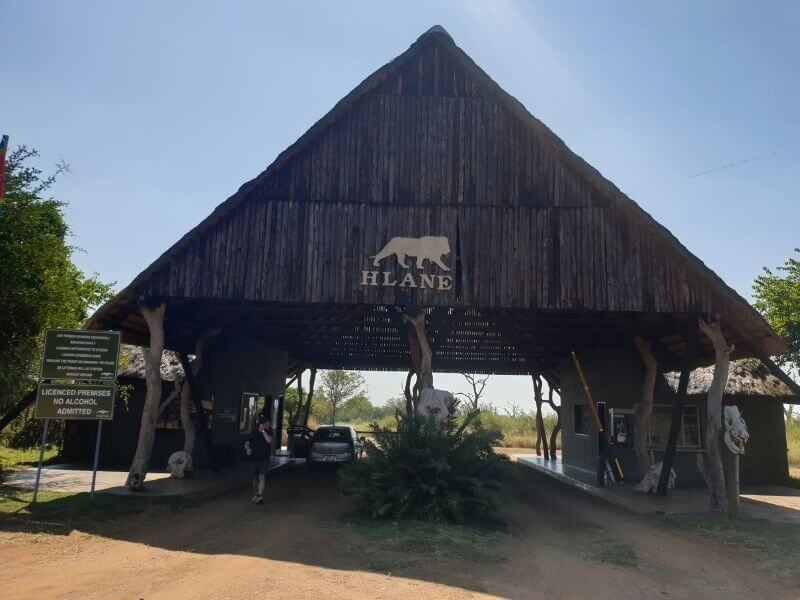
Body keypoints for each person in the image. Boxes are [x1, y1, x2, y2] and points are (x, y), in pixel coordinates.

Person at [244, 417, 273, 504]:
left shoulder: (269, 432)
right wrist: (247, 449)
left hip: (264, 459)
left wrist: (263, 431)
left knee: (262, 477)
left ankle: (260, 496)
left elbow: (269, 440)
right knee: (254, 478)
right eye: (267, 423)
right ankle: (256, 495)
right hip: (253, 458)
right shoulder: (253, 433)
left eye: (269, 423)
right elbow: (247, 443)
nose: (269, 425)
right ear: (262, 424)